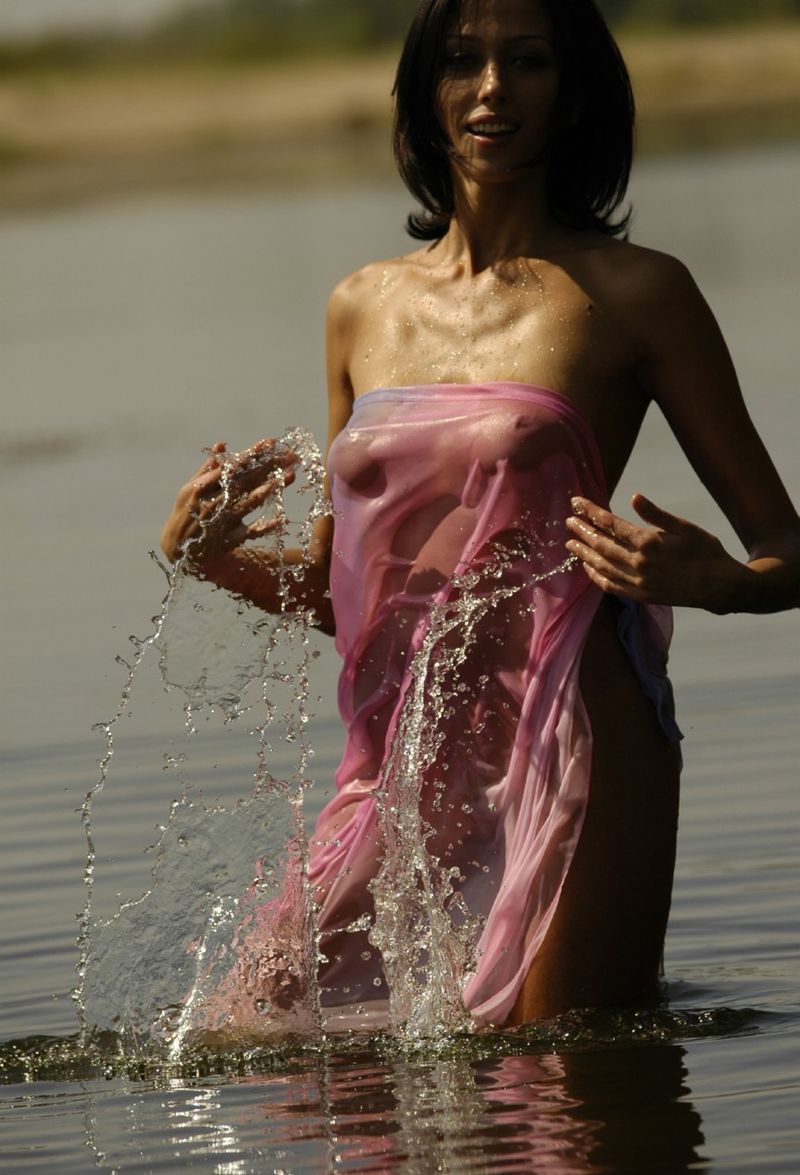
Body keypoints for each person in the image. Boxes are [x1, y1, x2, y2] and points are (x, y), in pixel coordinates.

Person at [161, 0, 800, 1031]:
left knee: (570, 1082)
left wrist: (719, 581)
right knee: (260, 1030)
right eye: (462, 61)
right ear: (424, 93)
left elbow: (789, 549)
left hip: (578, 729)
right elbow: (345, 598)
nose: (492, 87)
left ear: (574, 91)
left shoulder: (636, 294)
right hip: (402, 760)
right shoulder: (359, 306)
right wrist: (200, 555)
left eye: (527, 61)